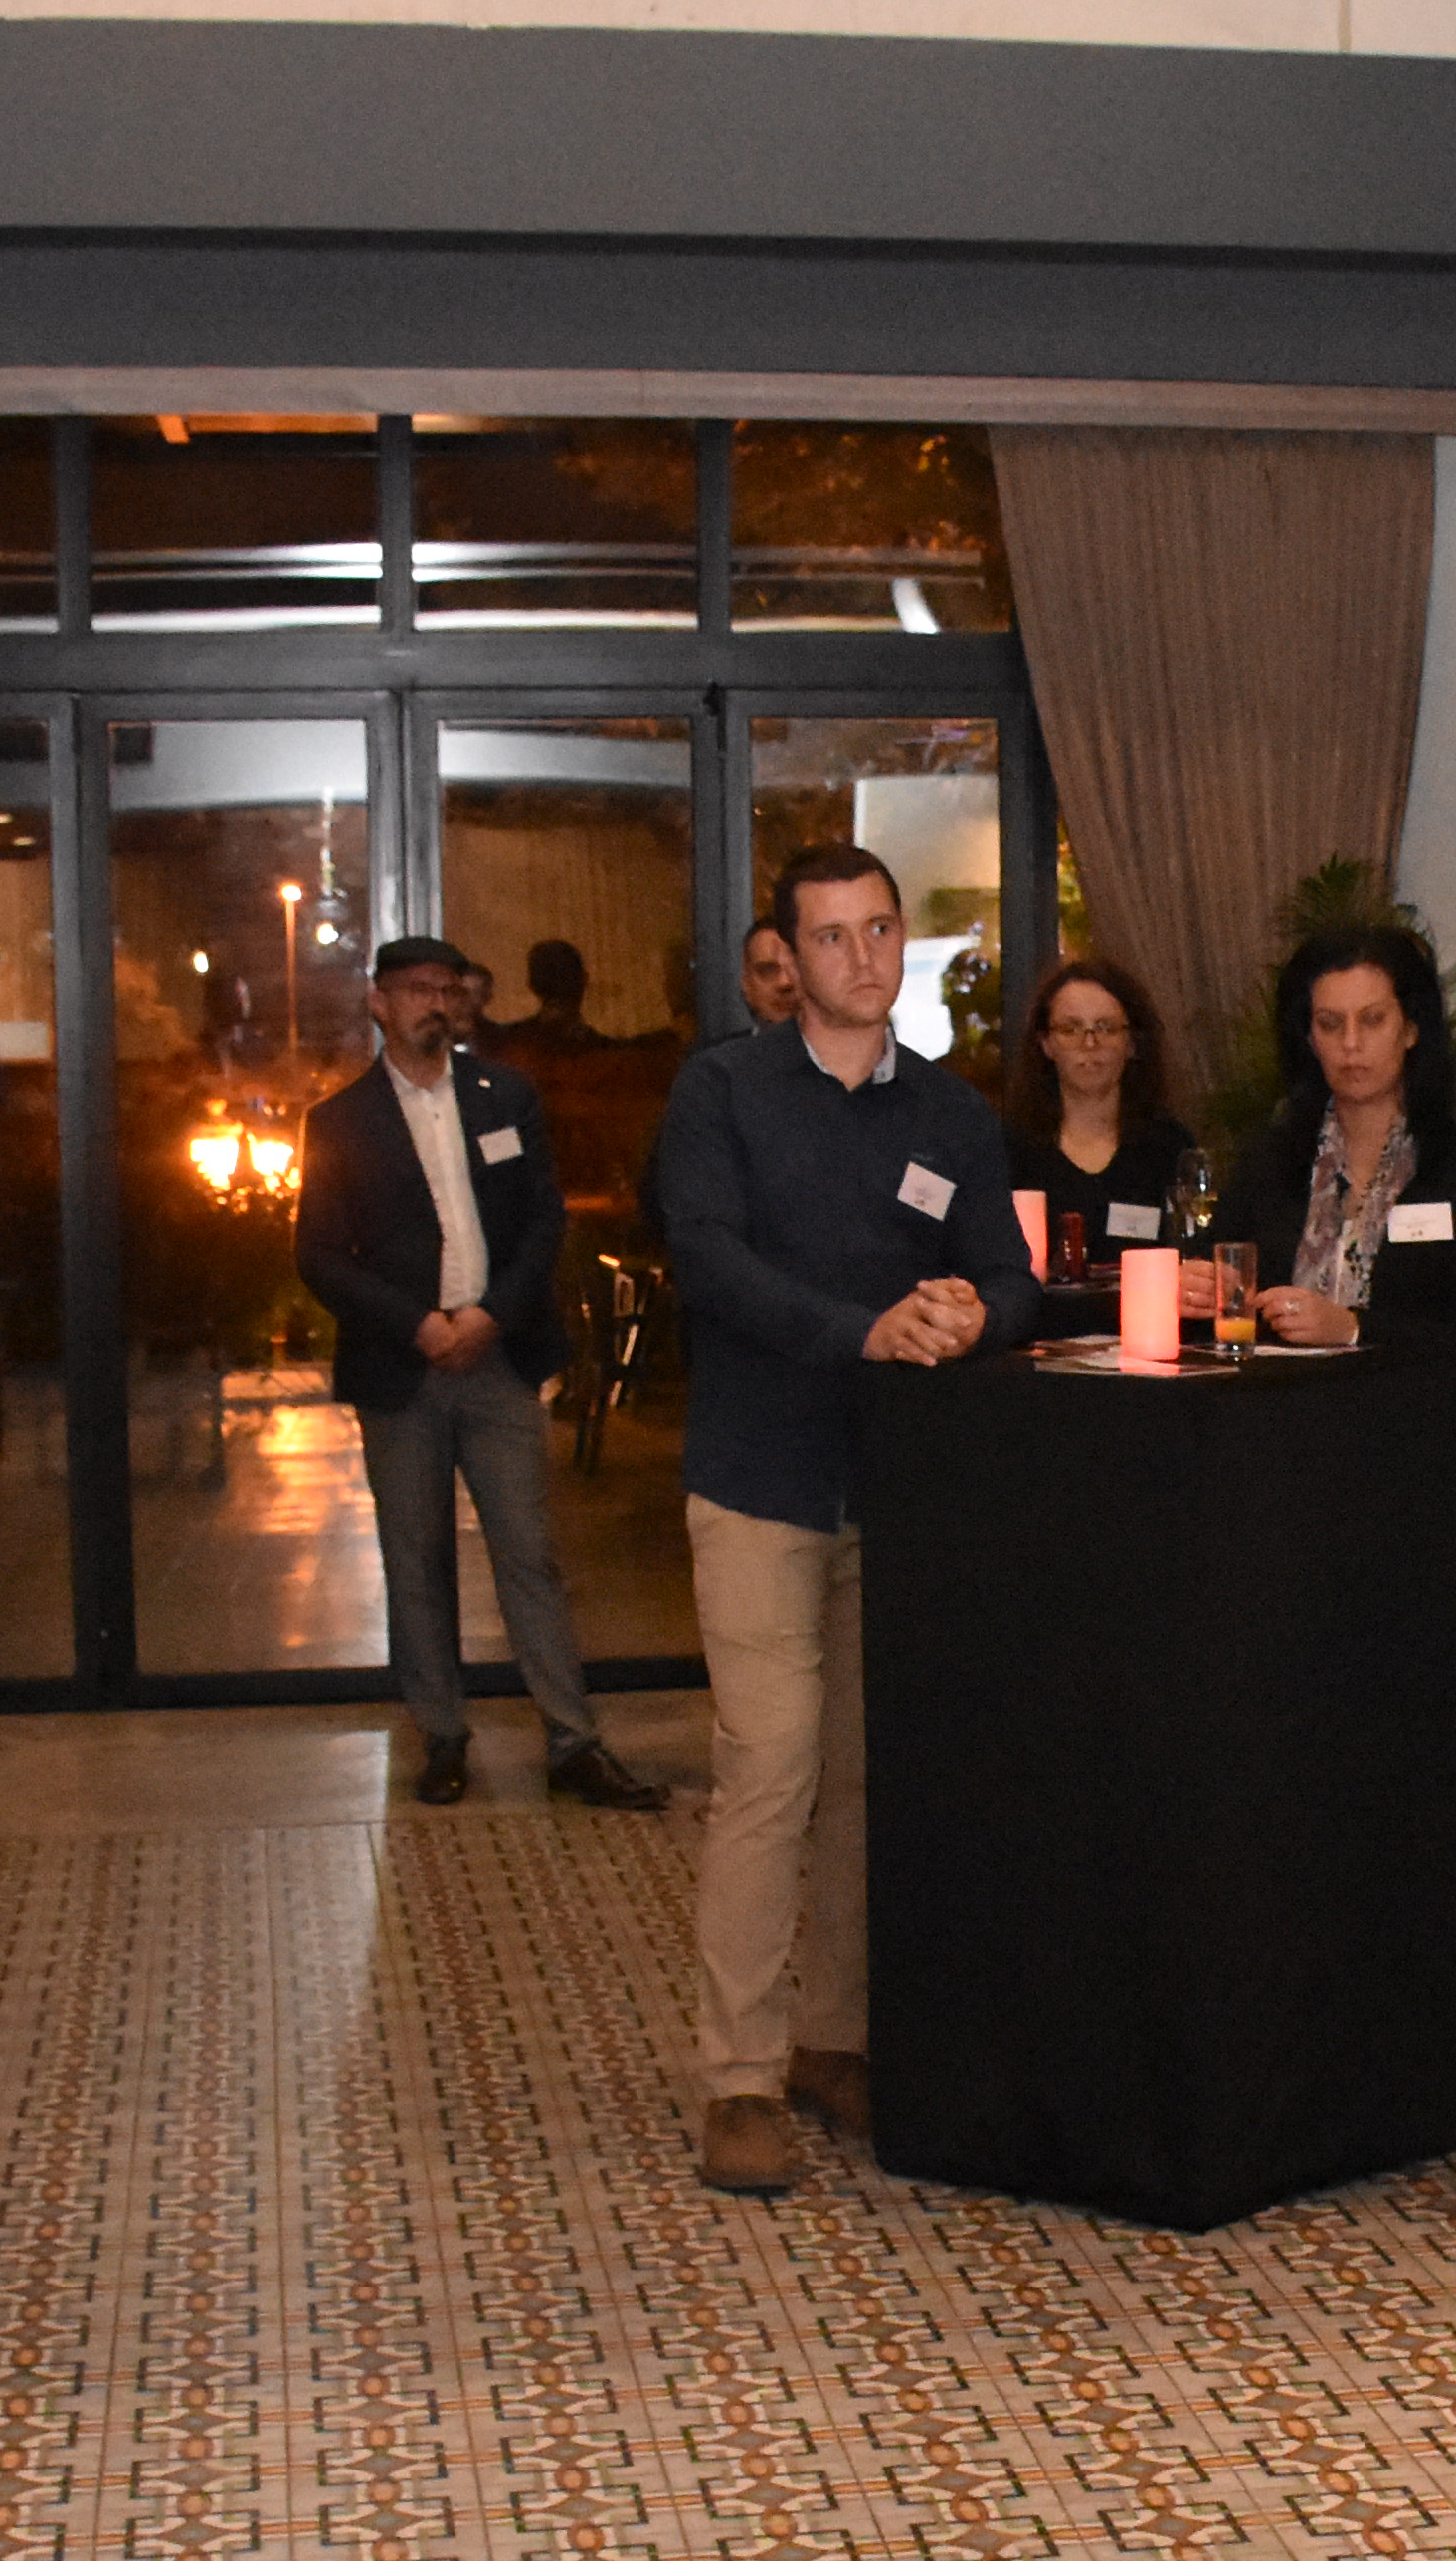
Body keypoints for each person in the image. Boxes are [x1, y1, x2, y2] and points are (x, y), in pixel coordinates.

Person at [654, 847, 1035, 2199]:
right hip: (760, 1482)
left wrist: (973, 1311)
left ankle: (833, 2040)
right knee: (771, 1773)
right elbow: (711, 1262)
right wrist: (863, 1330)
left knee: (868, 1779)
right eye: (832, 937)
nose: (863, 957)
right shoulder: (723, 1093)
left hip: (902, 1496)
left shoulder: (951, 1113)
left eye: (880, 930)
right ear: (789, 959)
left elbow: (1009, 1270)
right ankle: (740, 2077)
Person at [299, 933, 668, 1819]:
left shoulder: (506, 1096)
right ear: (379, 1003)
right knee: (417, 1559)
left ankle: (573, 1741)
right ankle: (443, 1736)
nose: (435, 1003)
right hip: (403, 1368)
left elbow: (544, 1219)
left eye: (447, 988)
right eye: (416, 989)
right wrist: (419, 1323)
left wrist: (493, 1313)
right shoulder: (340, 1121)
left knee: (529, 1553)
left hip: (498, 1359)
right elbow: (320, 1255)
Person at [1215, 921, 1456, 1573]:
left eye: (1372, 1020)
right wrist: (1203, 1287)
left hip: (1428, 1476)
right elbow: (1223, 1276)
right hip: (1284, 1472)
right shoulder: (1269, 1159)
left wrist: (1353, 1329)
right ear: (1307, 1036)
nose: (1351, 1045)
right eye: (1329, 1024)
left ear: (1411, 1028)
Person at [999, 955, 1196, 1288]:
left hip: (1146, 1319)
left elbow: (1193, 1256)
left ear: (1132, 1043)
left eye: (1105, 1028)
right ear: (1046, 1043)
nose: (1089, 1044)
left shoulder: (1169, 1148)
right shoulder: (1009, 1151)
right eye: (1070, 1029)